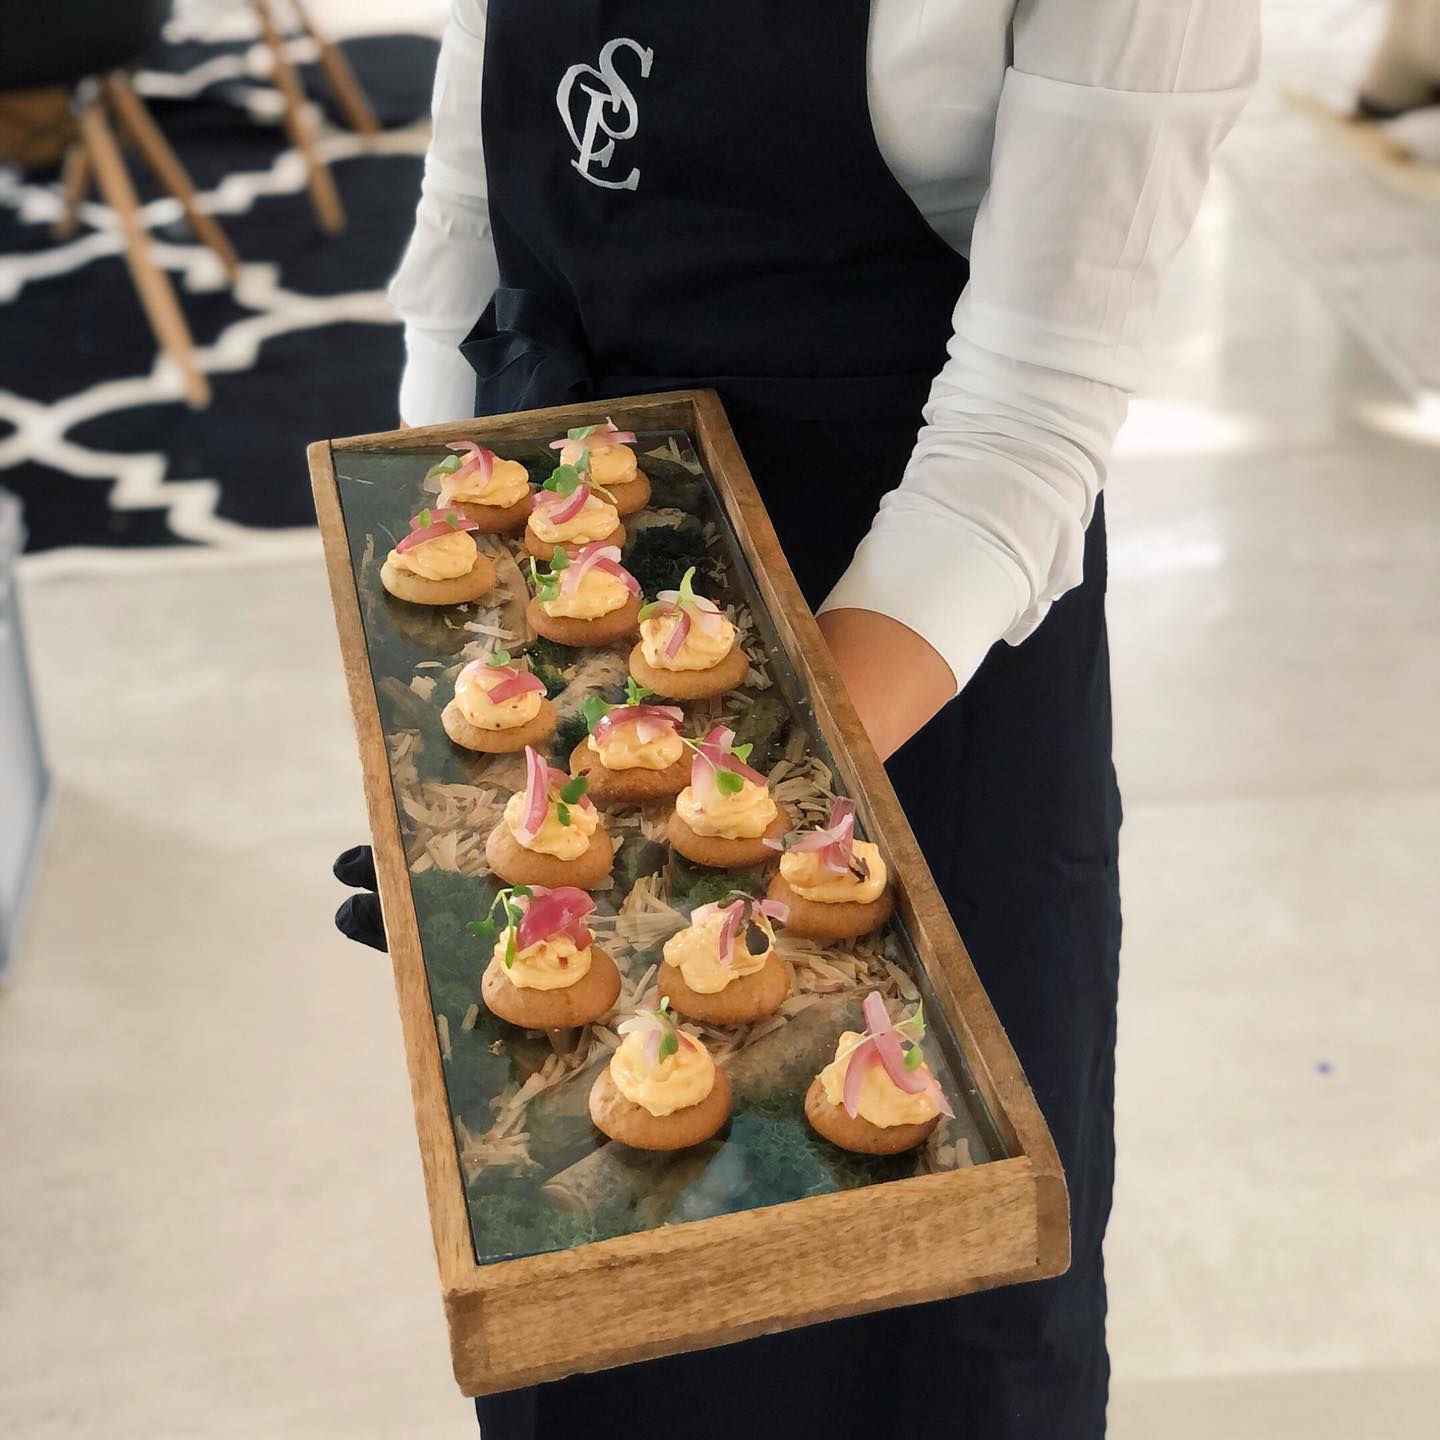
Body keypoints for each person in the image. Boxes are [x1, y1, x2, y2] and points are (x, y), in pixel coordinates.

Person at [335, 3, 1258, 1436]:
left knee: (904, 1311)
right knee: (597, 1298)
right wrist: (458, 667)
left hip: (908, 640)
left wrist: (713, 800)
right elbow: (474, 207)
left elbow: (1031, 406)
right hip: (575, 557)